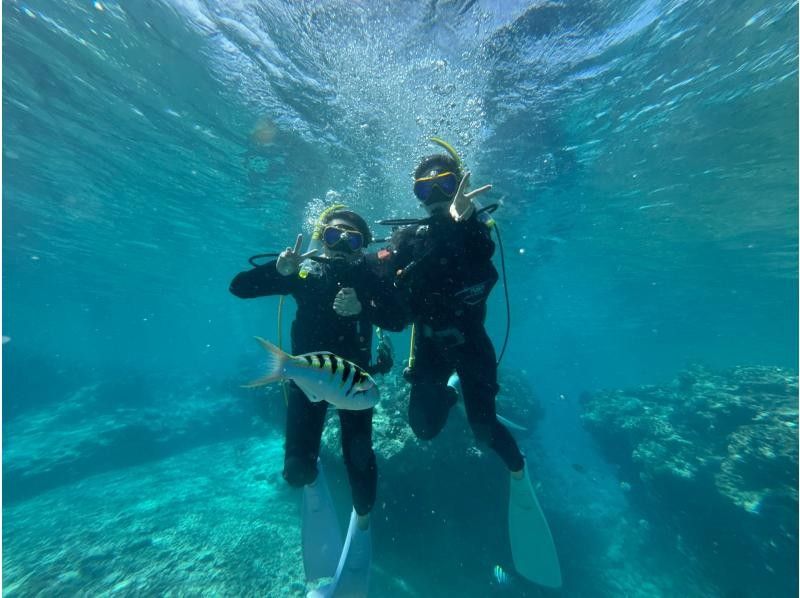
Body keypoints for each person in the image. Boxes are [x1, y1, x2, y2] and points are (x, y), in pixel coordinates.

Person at [385, 139, 562, 588]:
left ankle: (519, 471)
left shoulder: (479, 233)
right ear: (415, 197)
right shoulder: (408, 240)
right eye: (425, 190)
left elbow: (479, 268)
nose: (437, 195)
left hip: (470, 343)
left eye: (445, 183)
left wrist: (459, 225)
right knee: (424, 429)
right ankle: (449, 392)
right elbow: (393, 300)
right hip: (426, 346)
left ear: (460, 183)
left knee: (485, 432)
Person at [230, 205, 404, 596]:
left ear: (362, 247)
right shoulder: (307, 272)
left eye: (352, 239)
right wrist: (280, 272)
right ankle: (310, 475)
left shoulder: (368, 275)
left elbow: (399, 319)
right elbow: (239, 287)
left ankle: (362, 519)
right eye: (332, 237)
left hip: (351, 387)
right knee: (294, 472)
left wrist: (366, 307)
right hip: (306, 383)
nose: (341, 246)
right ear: (320, 238)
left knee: (360, 464)